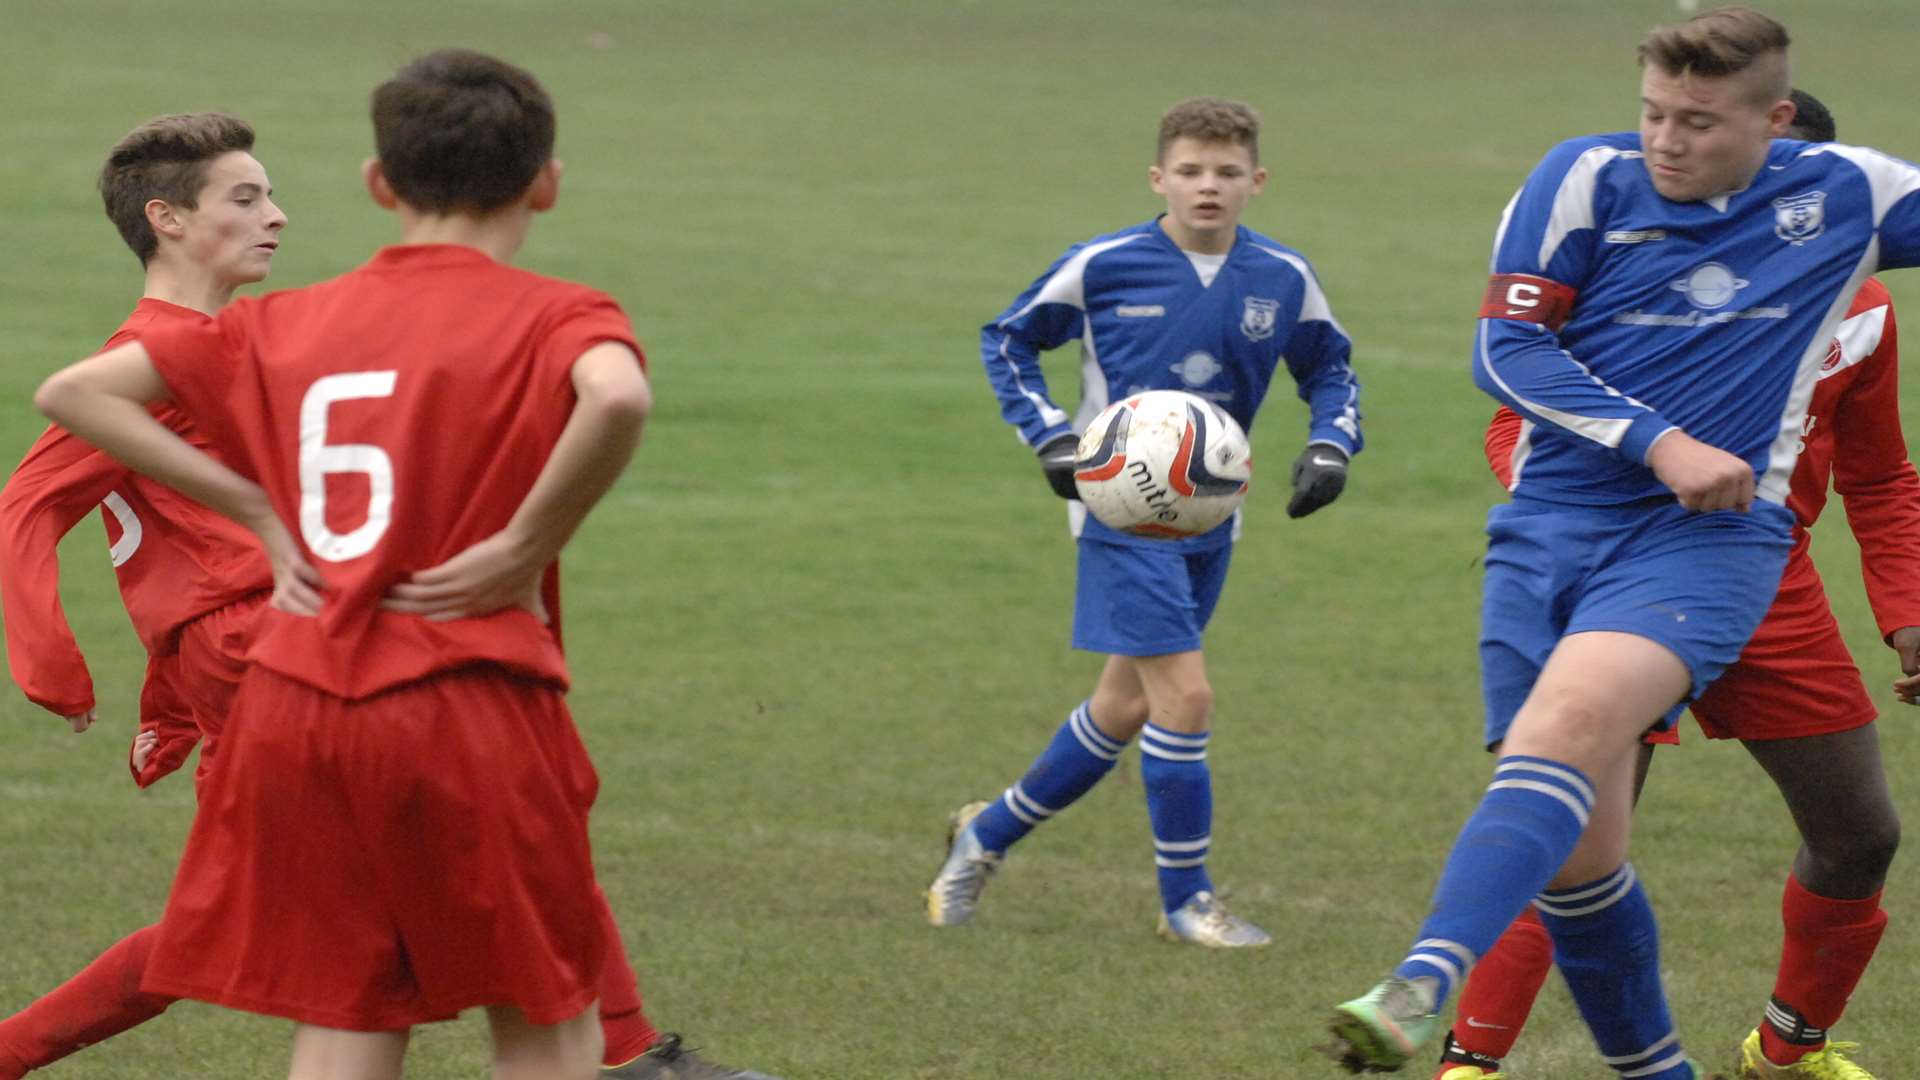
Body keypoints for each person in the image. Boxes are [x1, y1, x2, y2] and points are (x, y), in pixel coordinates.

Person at [0, 108, 769, 1080]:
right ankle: (625, 1055)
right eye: (247, 197)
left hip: (278, 644)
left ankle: (623, 1050)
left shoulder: (247, 337)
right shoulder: (166, 351)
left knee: (274, 922)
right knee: (422, 861)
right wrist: (54, 665)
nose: (276, 216)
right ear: (169, 219)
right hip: (265, 644)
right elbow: (26, 500)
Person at [1325, 8, 1920, 1077]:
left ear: (1779, 130)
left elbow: (1880, 473)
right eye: (1652, 112)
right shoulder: (1578, 182)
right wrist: (1659, 445)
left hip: (1723, 556)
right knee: (1583, 867)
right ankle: (1559, 1060)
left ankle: (1425, 983)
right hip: (1554, 539)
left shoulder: (1850, 225)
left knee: (1593, 735)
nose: (1665, 139)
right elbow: (1505, 358)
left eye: (1697, 120)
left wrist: (1906, 606)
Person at [926, 96, 1361, 946]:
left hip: (1212, 518)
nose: (1209, 187)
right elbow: (1008, 339)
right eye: (1191, 171)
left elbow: (1332, 369)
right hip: (1119, 514)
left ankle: (986, 836)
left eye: (1227, 173)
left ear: (1256, 181)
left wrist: (1331, 446)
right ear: (1158, 177)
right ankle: (1185, 904)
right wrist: (1051, 438)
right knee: (1186, 697)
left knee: (1125, 706)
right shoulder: (1105, 264)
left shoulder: (1282, 277)